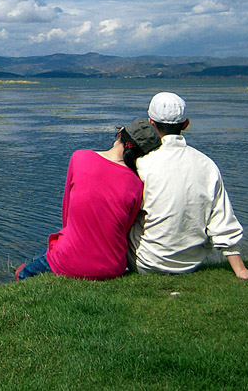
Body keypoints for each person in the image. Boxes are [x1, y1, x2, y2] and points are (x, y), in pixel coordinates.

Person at [128, 92, 248, 284]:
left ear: (150, 124)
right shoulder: (207, 165)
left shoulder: (142, 164)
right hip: (190, 264)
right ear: (185, 124)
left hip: (146, 263)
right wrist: (241, 269)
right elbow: (222, 219)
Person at [16, 119, 161, 282]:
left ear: (120, 134)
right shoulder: (136, 184)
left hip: (70, 260)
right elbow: (125, 229)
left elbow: (67, 215)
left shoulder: (80, 158)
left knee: (24, 272)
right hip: (113, 267)